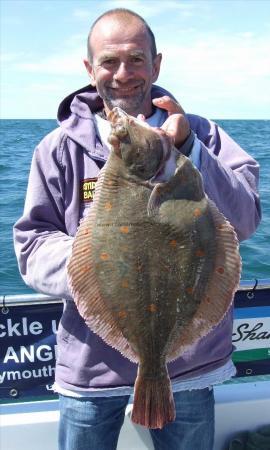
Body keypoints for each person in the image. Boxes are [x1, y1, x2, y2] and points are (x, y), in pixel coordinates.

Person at [13, 8, 261, 450]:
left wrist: (189, 149)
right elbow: (32, 247)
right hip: (90, 370)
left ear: (156, 64)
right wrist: (102, 263)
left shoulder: (203, 135)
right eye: (109, 62)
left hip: (189, 367)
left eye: (136, 59)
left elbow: (243, 221)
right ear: (90, 70)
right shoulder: (56, 150)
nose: (123, 74)